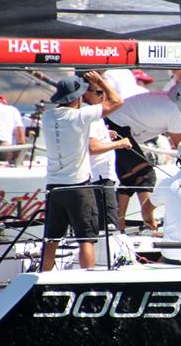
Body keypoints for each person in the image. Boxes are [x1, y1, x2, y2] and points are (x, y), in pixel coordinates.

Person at [40, 72, 123, 271]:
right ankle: (88, 279)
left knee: (52, 238)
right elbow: (117, 101)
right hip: (78, 186)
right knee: (86, 238)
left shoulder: (47, 116)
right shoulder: (80, 116)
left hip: (54, 186)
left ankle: (44, 276)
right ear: (77, 98)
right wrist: (101, 82)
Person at [106, 80, 181, 231]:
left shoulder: (164, 100)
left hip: (113, 123)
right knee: (145, 174)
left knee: (129, 178)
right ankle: (149, 220)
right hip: (118, 128)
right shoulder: (173, 112)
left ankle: (118, 226)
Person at [82, 82, 132, 230]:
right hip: (100, 178)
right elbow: (93, 147)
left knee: (104, 223)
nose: (103, 95)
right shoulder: (90, 115)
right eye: (99, 92)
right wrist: (120, 143)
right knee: (109, 225)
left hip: (100, 177)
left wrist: (105, 134)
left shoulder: (93, 116)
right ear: (86, 94)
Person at [0, 96, 26, 162]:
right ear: (5, 103)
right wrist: (18, 157)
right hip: (2, 148)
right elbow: (20, 136)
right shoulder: (12, 110)